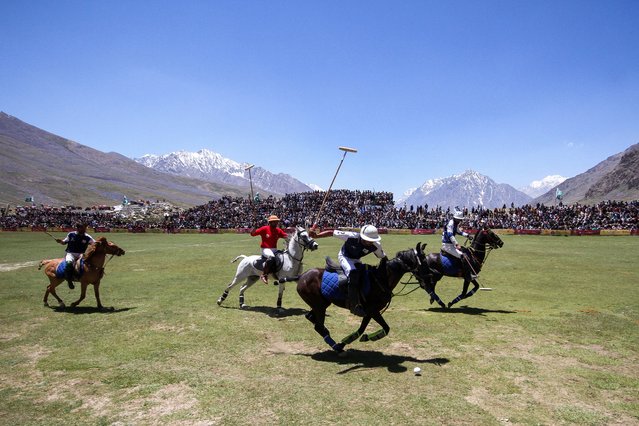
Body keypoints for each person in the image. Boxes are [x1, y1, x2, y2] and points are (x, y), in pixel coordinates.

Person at [311, 224, 387, 316]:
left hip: (356, 259)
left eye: (372, 240)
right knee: (353, 273)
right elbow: (332, 232)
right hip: (345, 256)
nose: (369, 242)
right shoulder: (352, 236)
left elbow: (382, 257)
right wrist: (317, 236)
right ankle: (354, 305)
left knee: (365, 274)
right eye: (367, 240)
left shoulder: (375, 245)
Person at [55, 222, 95, 289]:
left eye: (85, 228)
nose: (84, 230)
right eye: (83, 228)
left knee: (86, 265)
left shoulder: (87, 237)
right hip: (71, 253)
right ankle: (69, 280)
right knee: (69, 264)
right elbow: (64, 242)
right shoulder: (71, 234)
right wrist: (60, 241)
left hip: (81, 254)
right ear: (78, 228)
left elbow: (95, 243)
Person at [251, 215, 288, 284]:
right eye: (274, 222)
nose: (276, 223)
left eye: (276, 222)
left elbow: (286, 236)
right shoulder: (264, 228)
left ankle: (278, 274)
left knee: (282, 258)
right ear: (270, 222)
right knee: (271, 258)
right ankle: (264, 275)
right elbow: (253, 234)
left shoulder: (278, 230)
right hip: (265, 249)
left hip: (274, 249)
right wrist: (254, 227)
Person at [441, 210, 475, 278]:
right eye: (459, 219)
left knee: (465, 252)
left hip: (451, 245)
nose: (460, 221)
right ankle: (466, 274)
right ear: (456, 218)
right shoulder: (451, 223)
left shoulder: (455, 223)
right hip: (447, 245)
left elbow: (459, 232)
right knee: (463, 256)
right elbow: (450, 235)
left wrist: (467, 235)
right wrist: (456, 244)